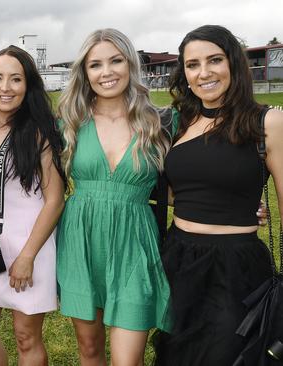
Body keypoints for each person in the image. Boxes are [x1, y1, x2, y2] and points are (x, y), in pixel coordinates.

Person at [153, 25, 283, 366]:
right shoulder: (180, 122)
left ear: (234, 64)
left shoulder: (268, 122)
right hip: (177, 258)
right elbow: (180, 188)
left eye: (214, 60)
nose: (204, 72)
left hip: (235, 266)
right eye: (193, 65)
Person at [56, 28, 173, 366]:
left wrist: (236, 208)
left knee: (127, 359)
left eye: (115, 61)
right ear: (85, 72)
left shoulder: (161, 121)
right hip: (81, 240)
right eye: (95, 65)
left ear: (130, 64)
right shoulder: (69, 122)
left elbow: (186, 186)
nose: (106, 72)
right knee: (90, 351)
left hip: (134, 242)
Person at [0, 45, 65, 366]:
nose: (5, 88)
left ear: (28, 84)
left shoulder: (37, 130)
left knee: (26, 337)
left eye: (15, 79)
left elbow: (54, 200)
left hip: (28, 247)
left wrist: (28, 256)